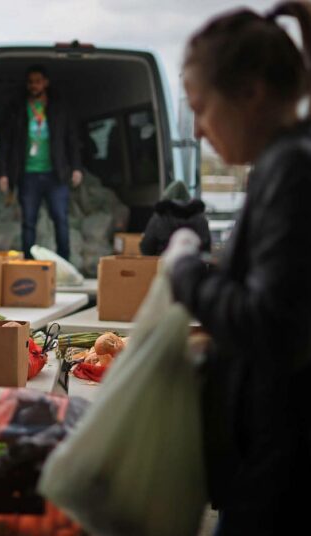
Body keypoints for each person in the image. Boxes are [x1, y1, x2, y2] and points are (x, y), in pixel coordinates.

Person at [162, 3, 311, 533]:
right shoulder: (282, 162)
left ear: (250, 92)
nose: (198, 131)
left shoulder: (290, 171)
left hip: (281, 474)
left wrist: (187, 275)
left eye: (201, 109)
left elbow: (274, 324)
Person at [0, 65, 83, 260]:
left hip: (56, 174)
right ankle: (29, 263)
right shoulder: (18, 108)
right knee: (28, 222)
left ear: (45, 82)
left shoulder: (59, 107)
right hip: (28, 174)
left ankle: (64, 262)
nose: (34, 86)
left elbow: (71, 139)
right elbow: (6, 143)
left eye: (37, 81)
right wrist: (3, 173)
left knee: (60, 220)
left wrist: (76, 167)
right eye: (30, 82)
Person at [139, 180, 211, 256]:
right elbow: (206, 250)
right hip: (193, 265)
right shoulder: (200, 217)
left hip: (162, 263)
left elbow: (146, 248)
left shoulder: (160, 217)